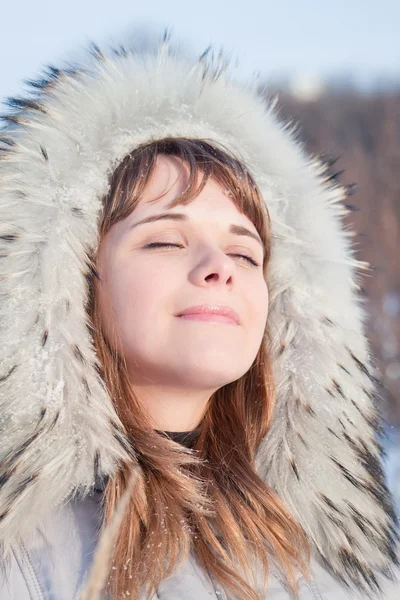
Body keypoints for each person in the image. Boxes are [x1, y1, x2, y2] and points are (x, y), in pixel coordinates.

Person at [0, 38, 399, 600]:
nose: (219, 269)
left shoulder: (336, 560)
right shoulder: (21, 551)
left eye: (245, 253)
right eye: (165, 240)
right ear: (67, 285)